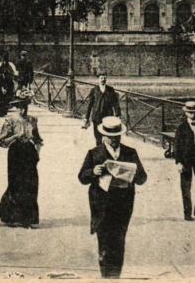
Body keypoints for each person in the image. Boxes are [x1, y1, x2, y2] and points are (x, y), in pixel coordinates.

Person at [78, 116, 147, 278]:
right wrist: (93, 172)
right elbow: (82, 177)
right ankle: (105, 274)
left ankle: (115, 275)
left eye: (117, 137)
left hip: (123, 203)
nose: (114, 140)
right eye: (111, 137)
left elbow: (143, 178)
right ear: (104, 137)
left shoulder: (130, 153)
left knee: (119, 239)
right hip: (101, 204)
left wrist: (133, 172)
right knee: (104, 240)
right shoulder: (94, 154)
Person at [0, 103, 43, 228]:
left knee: (31, 183)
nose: (23, 110)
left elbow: (38, 139)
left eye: (25, 107)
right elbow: (1, 141)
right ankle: (11, 216)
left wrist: (37, 154)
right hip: (15, 153)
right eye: (20, 107)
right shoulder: (10, 121)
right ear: (16, 108)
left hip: (29, 152)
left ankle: (28, 218)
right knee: (15, 183)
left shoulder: (32, 120)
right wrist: (15, 136)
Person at [82, 73, 121, 145]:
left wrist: (118, 115)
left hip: (108, 116)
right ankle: (99, 152)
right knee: (97, 136)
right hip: (97, 117)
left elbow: (115, 103)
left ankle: (106, 151)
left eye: (104, 78)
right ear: (98, 79)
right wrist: (87, 117)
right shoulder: (94, 90)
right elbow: (90, 105)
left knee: (108, 135)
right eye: (101, 78)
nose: (103, 80)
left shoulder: (111, 90)